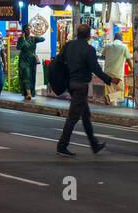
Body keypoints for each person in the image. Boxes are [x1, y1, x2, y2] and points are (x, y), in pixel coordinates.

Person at [55, 25, 114, 157]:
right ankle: (62, 145)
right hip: (81, 86)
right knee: (73, 117)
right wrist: (110, 79)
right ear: (89, 35)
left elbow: (60, 60)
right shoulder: (89, 49)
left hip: (71, 84)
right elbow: (96, 69)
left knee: (85, 115)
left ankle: (94, 144)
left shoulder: (69, 45)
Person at [101, 33, 130, 106]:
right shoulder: (124, 47)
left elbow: (103, 56)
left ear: (114, 38)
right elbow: (128, 59)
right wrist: (132, 70)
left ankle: (111, 106)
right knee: (121, 93)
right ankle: (109, 98)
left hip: (107, 73)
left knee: (110, 93)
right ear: (121, 39)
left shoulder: (107, 46)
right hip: (118, 74)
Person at [17, 28, 45, 99]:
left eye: (29, 29)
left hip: (32, 60)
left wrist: (35, 36)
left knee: (32, 76)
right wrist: (23, 39)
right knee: (26, 74)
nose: (28, 30)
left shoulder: (33, 39)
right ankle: (28, 93)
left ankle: (29, 93)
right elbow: (18, 47)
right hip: (24, 60)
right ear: (24, 31)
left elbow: (43, 39)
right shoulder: (21, 39)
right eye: (26, 29)